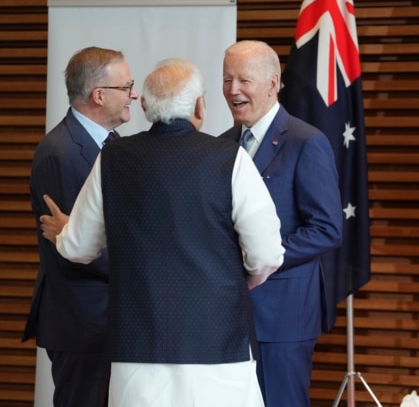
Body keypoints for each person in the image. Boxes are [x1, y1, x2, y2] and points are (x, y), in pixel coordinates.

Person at [39, 58, 284, 407]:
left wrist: (64, 235)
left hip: (137, 345)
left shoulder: (112, 158)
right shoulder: (231, 158)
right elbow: (268, 252)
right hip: (219, 339)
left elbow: (78, 247)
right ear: (200, 104)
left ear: (144, 105)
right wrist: (249, 277)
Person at [219, 40, 343, 407]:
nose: (232, 89)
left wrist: (261, 256)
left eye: (243, 79)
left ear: (272, 84)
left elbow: (326, 229)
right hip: (225, 313)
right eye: (226, 79)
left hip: (282, 315)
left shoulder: (306, 142)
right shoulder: (222, 146)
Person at [23, 46, 137, 407]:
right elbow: (74, 249)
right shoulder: (62, 153)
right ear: (99, 95)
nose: (134, 94)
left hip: (108, 319)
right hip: (83, 322)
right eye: (127, 86)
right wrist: (146, 266)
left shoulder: (111, 145)